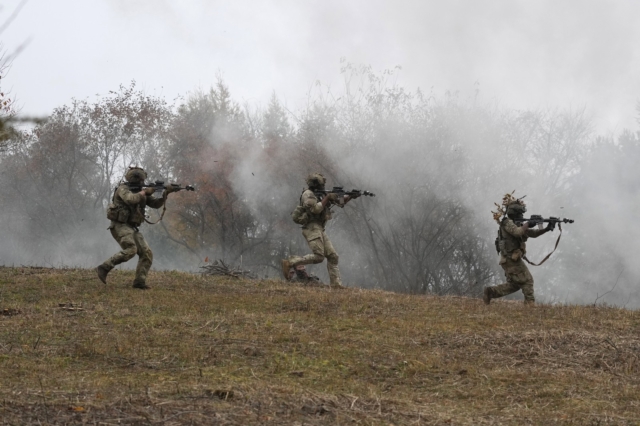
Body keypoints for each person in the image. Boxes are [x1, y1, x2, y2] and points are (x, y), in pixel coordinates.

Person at [95, 167, 177, 289]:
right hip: (119, 226)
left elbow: (155, 204)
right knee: (131, 249)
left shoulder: (141, 191)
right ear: (135, 179)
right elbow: (130, 199)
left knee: (146, 253)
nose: (143, 183)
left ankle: (139, 282)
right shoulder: (123, 189)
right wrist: (145, 192)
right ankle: (104, 267)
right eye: (141, 180)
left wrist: (166, 194)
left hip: (132, 228)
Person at [281, 173, 358, 289]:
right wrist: (327, 197)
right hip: (311, 227)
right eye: (322, 184)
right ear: (315, 185)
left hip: (320, 228)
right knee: (319, 256)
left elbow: (340, 203)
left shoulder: (322, 195)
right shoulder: (308, 195)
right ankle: (291, 262)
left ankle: (336, 285)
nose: (323, 186)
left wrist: (351, 196)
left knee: (333, 256)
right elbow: (315, 209)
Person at [484, 195, 555, 305]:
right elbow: (517, 232)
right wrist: (528, 223)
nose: (522, 215)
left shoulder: (517, 224)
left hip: (510, 259)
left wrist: (546, 228)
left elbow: (532, 233)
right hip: (510, 259)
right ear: (515, 213)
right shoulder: (506, 223)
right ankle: (530, 304)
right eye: (520, 213)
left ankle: (491, 292)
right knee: (528, 280)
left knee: (515, 284)